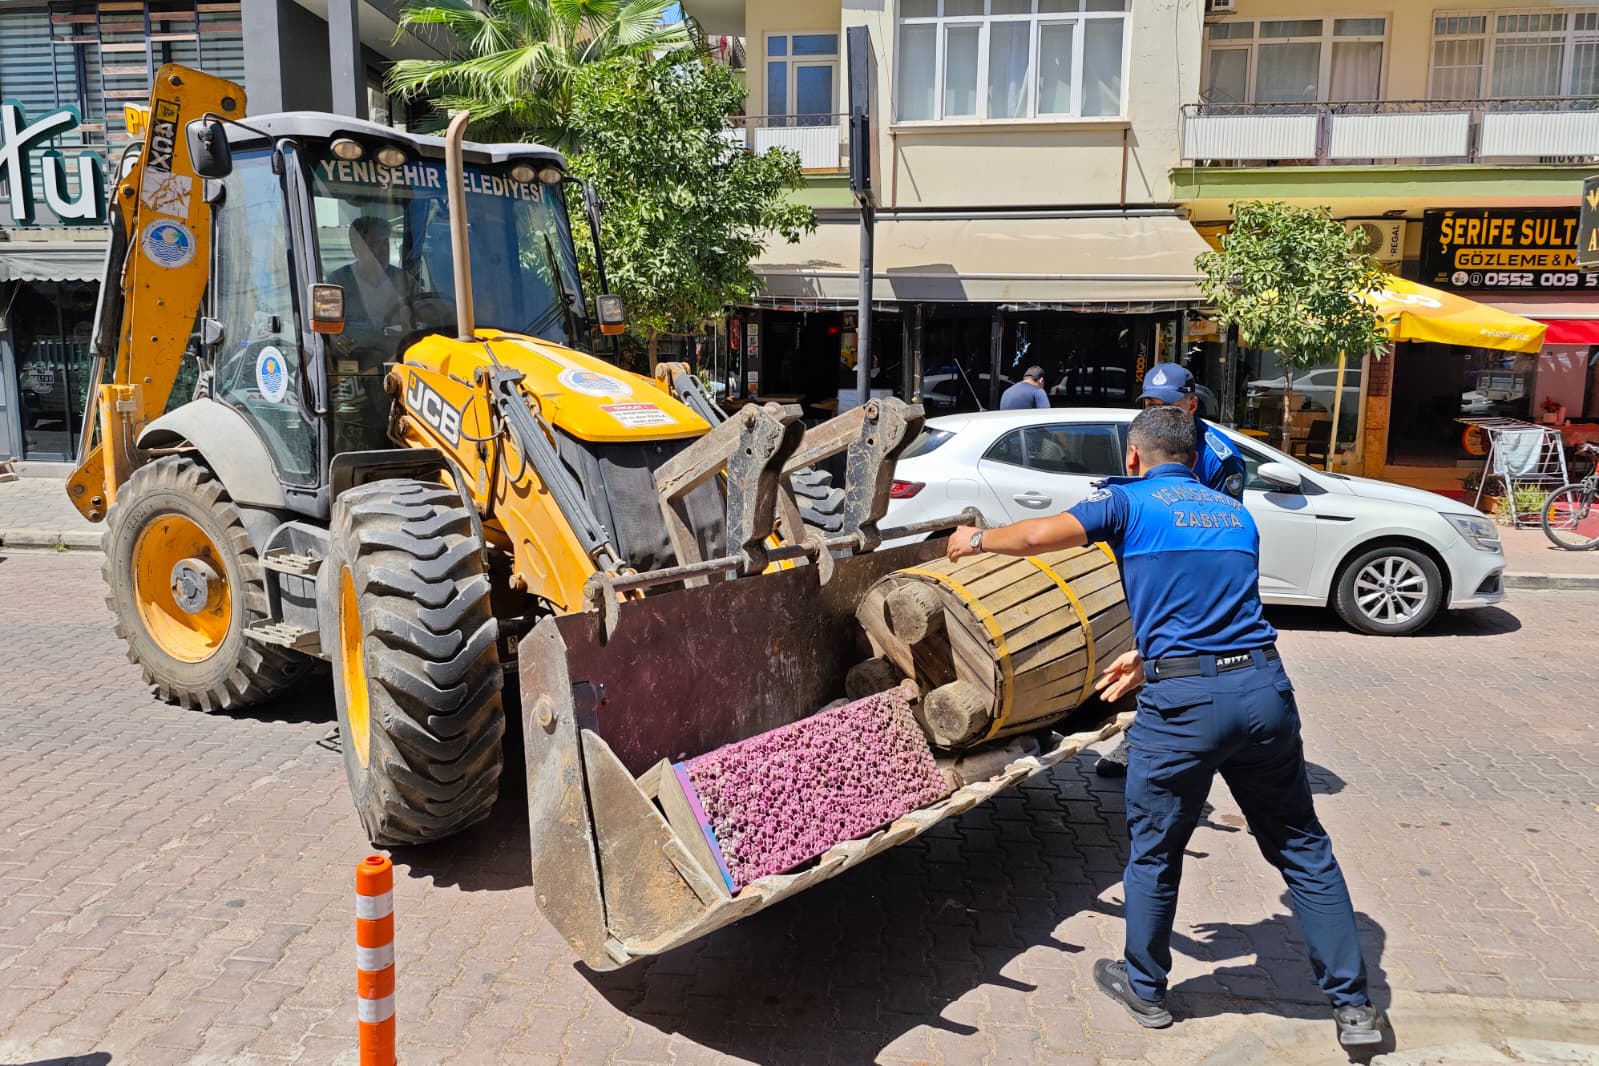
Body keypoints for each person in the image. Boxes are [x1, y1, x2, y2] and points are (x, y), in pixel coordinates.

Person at [945, 406, 1382, 1050]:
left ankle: (1145, 988)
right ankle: (1354, 1008)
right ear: (1197, 458)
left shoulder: (1126, 503)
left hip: (1183, 708)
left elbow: (1038, 536)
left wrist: (974, 542)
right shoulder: (1234, 514)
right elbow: (1212, 609)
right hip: (1261, 690)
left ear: (1132, 456)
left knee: (1155, 851)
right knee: (1302, 847)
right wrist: (1148, 660)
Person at [1096, 361, 1245, 777]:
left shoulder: (1218, 457)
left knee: (1181, 659)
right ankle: (1142, 737)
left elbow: (1225, 525)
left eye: (1165, 404)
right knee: (1147, 652)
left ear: (1192, 405)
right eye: (1149, 403)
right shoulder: (1144, 437)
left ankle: (1166, 743)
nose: (1155, 411)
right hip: (1149, 569)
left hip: (1193, 576)